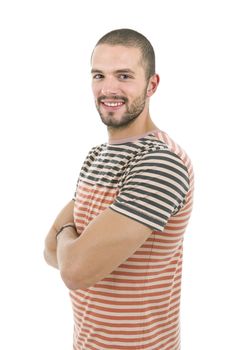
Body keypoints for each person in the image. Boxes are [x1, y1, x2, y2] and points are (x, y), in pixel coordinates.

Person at [44, 28, 194, 350]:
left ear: (151, 84)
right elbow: (49, 252)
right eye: (99, 75)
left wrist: (66, 234)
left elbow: (74, 270)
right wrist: (71, 243)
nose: (108, 88)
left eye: (124, 75)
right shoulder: (97, 156)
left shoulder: (160, 162)